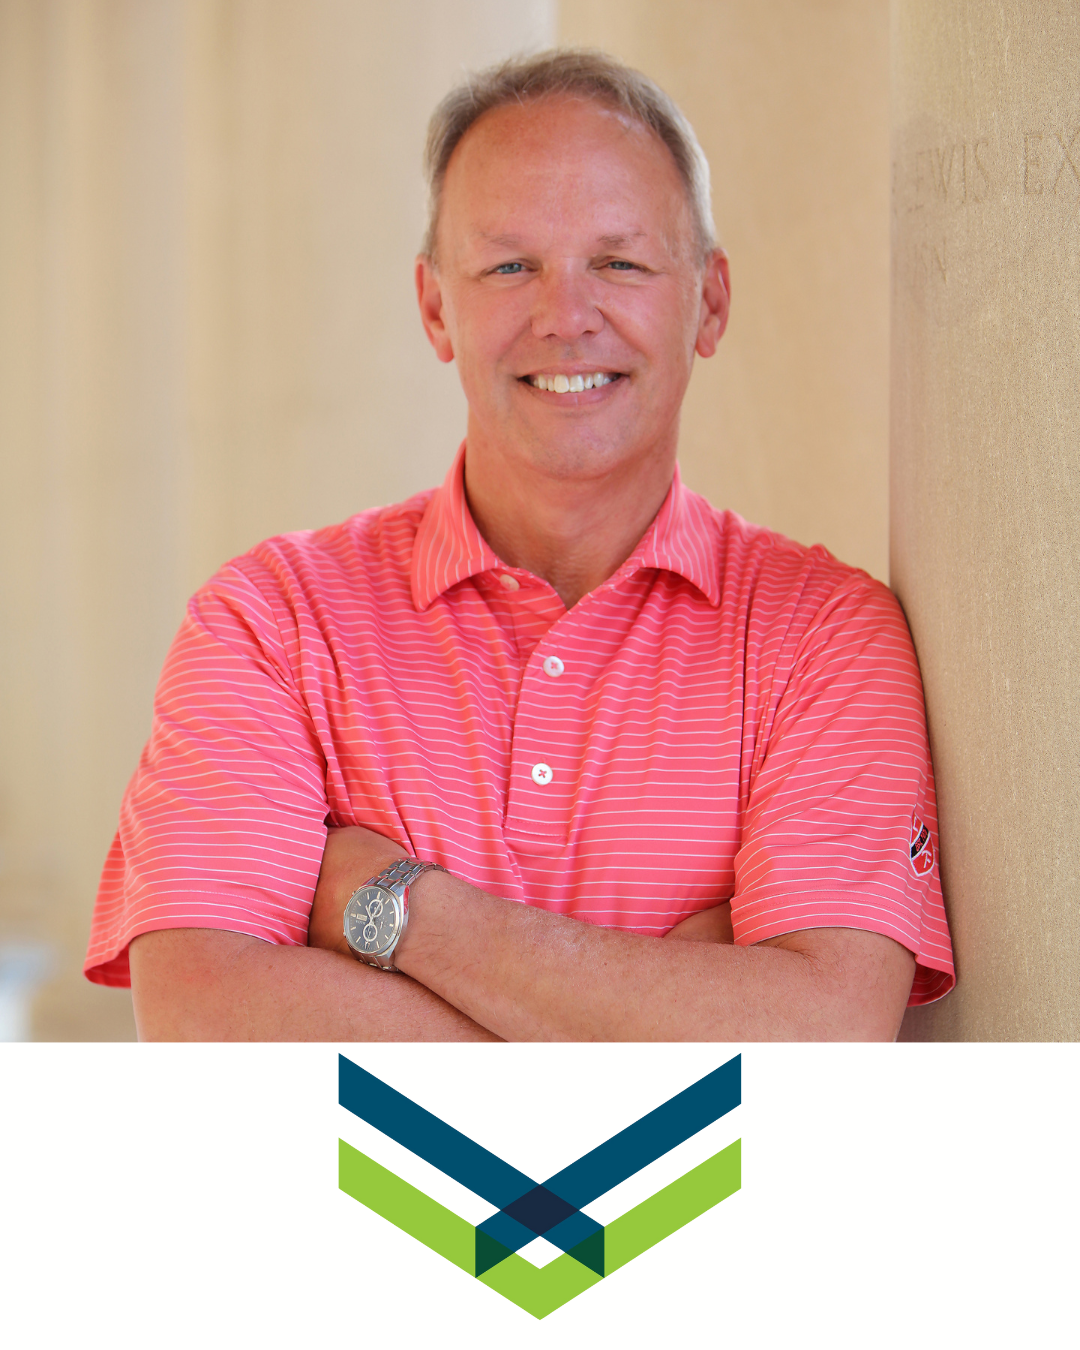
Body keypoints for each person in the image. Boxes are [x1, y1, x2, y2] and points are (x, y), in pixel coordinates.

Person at [85, 50, 954, 1040]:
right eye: (509, 267)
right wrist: (675, 1003)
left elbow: (820, 1038)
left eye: (620, 262)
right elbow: (204, 1023)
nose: (565, 317)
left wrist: (399, 909)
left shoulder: (824, 634)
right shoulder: (271, 620)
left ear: (709, 302)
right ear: (433, 306)